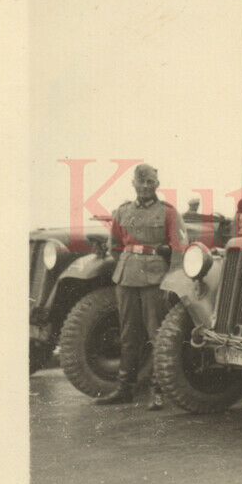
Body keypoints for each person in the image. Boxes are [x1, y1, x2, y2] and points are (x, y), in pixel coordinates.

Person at [97, 164, 186, 409]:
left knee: (156, 333)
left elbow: (178, 250)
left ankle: (158, 390)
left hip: (154, 279)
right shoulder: (123, 211)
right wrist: (125, 265)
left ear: (157, 185)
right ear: (133, 184)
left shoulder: (168, 212)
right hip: (126, 276)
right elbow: (114, 245)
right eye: (141, 182)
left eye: (151, 183)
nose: (146, 187)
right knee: (128, 334)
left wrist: (170, 282)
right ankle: (124, 388)